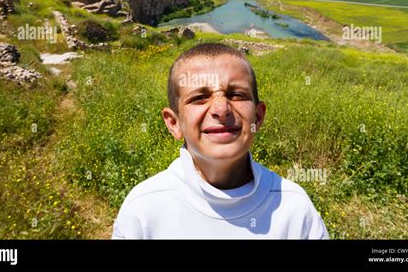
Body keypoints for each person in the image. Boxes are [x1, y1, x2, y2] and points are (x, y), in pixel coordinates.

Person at [112, 43, 328, 239]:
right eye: (199, 98)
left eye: (236, 95)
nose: (221, 110)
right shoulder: (144, 210)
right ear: (174, 123)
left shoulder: (294, 208)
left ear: (258, 116)